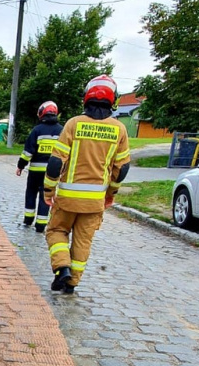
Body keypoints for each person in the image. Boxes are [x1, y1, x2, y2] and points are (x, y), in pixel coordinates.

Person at [42, 75, 131, 295]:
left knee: (56, 230)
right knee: (83, 241)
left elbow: (55, 163)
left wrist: (48, 190)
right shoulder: (119, 129)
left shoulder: (74, 124)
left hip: (68, 199)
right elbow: (122, 169)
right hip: (94, 202)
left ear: (86, 97)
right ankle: (72, 283)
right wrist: (111, 193)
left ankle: (62, 268)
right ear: (113, 99)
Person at [16, 101, 64, 232]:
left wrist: (20, 166)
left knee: (31, 193)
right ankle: (41, 225)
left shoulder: (37, 130)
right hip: (52, 172)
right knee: (46, 196)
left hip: (35, 171)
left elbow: (28, 152)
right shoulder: (62, 131)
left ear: (41, 113)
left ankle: (28, 219)